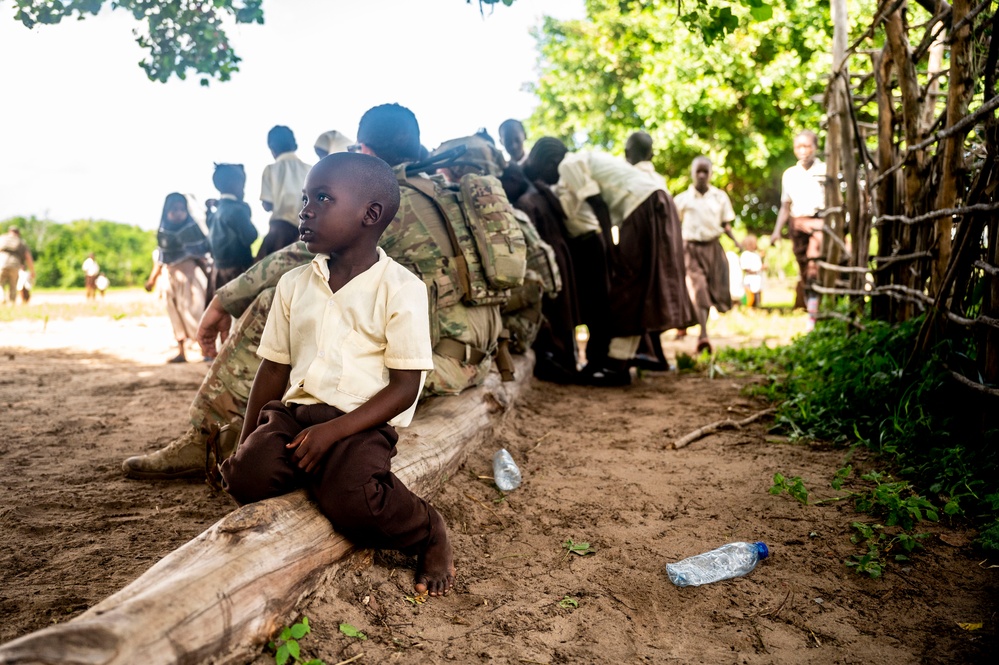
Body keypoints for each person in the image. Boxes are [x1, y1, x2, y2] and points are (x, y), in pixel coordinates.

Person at [122, 103, 511, 479]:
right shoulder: (446, 192)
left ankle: (205, 437)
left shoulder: (392, 198)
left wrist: (224, 299)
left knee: (274, 301)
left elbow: (290, 258)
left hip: (441, 367)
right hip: (476, 355)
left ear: (366, 151)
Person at [219, 152, 454, 597]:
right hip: (294, 417)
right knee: (247, 476)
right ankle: (310, 475)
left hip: (357, 424)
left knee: (354, 504)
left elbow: (405, 388)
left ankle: (428, 528)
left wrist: (333, 434)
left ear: (371, 215)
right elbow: (273, 368)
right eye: (306, 198)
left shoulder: (401, 288)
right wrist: (245, 442)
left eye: (322, 198)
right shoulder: (293, 284)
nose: (305, 209)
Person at [526, 138, 694, 386]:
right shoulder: (585, 160)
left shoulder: (567, 164)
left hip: (642, 207)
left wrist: (612, 247)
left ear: (551, 162)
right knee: (638, 288)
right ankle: (619, 363)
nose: (548, 179)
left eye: (543, 172)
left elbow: (599, 206)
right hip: (655, 204)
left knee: (628, 285)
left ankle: (616, 366)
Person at [673, 156, 740, 355]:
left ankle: (699, 328)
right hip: (690, 249)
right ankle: (703, 335)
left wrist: (736, 242)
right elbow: (674, 226)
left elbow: (725, 224)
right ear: (692, 173)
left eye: (705, 171)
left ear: (710, 173)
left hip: (713, 248)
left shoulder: (720, 197)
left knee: (713, 291)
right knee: (698, 288)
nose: (701, 176)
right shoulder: (682, 200)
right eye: (698, 172)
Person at [144, 193, 212, 364]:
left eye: (182, 209)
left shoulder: (193, 230)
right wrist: (152, 280)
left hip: (192, 278)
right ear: (166, 212)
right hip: (170, 278)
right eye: (174, 210)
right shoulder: (163, 234)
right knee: (175, 314)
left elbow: (202, 257)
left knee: (197, 313)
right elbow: (161, 259)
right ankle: (181, 352)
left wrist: (210, 278)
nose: (178, 213)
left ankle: (206, 350)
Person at [770, 130, 826, 329]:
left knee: (814, 264)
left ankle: (814, 314)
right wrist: (777, 231)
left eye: (807, 146)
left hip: (819, 223)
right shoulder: (790, 174)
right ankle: (813, 306)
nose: (803, 150)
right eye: (798, 147)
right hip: (797, 224)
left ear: (815, 147)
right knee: (804, 266)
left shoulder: (825, 170)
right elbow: (785, 206)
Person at [257, 125, 311, 261]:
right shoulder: (310, 169)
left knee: (266, 272)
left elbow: (267, 205)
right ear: (295, 144)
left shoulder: (271, 170)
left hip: (279, 233)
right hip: (306, 231)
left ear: (272, 149)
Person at [206, 163, 257, 292]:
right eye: (242, 184)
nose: (243, 189)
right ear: (233, 184)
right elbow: (251, 236)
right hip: (238, 272)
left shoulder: (215, 213)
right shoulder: (237, 210)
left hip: (218, 272)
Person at [0, 227, 35, 305]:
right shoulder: (21, 242)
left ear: (9, 231)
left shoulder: (2, 238)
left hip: (1, 264)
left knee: (0, 283)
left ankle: (1, 297)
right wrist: (32, 270)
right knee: (13, 285)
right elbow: (28, 257)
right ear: (18, 233)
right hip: (15, 265)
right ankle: (12, 303)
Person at [740, 234, 764, 307]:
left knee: (757, 295)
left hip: (757, 278)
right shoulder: (745, 254)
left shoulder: (756, 254)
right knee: (749, 296)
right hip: (750, 279)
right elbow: (746, 268)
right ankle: (748, 308)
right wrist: (757, 270)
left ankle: (757, 307)